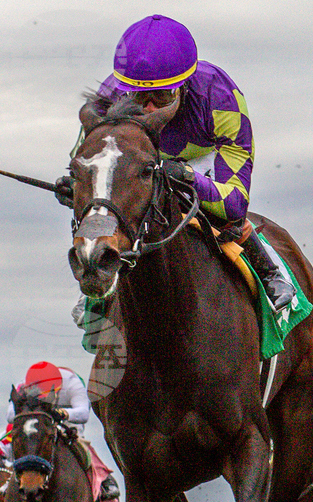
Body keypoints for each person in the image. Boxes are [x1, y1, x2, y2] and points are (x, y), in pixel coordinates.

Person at [58, 14, 294, 311]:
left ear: (183, 85)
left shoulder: (220, 98)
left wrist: (185, 175)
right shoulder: (108, 99)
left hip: (203, 157)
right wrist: (75, 188)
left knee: (224, 219)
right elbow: (92, 167)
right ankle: (104, 271)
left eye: (162, 95)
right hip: (140, 159)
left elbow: (234, 202)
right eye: (141, 96)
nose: (150, 107)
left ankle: (269, 270)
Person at [0, 361, 120, 502]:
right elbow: (10, 416)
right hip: (40, 419)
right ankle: (13, 480)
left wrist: (62, 413)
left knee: (79, 442)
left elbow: (84, 413)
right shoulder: (24, 385)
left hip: (69, 420)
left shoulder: (72, 383)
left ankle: (103, 478)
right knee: (28, 440)